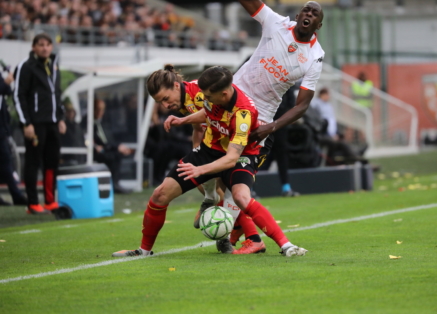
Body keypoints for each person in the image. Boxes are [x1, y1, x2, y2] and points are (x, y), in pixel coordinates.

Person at [112, 66, 307, 258]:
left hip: (241, 153)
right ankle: (144, 250)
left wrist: (199, 170)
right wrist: (183, 122)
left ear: (222, 94)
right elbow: (207, 113)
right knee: (160, 194)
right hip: (210, 148)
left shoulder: (242, 114)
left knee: (240, 197)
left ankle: (283, 245)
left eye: (164, 99)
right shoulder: (209, 94)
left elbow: (231, 158)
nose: (203, 100)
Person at [193, 0, 325, 254]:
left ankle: (234, 233)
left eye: (314, 13)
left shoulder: (315, 57)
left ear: (317, 25)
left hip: (258, 121)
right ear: (298, 15)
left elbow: (302, 106)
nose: (308, 14)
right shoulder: (276, 23)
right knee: (206, 163)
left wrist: (270, 127)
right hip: (226, 106)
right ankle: (228, 223)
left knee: (235, 183)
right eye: (305, 10)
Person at [13, 33, 66, 214]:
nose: (45, 48)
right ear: (34, 47)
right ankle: (33, 203)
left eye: (47, 45)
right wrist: (26, 123)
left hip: (52, 122)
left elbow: (56, 94)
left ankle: (50, 201)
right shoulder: (26, 67)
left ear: (51, 47)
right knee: (33, 162)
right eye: (41, 45)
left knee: (52, 162)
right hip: (35, 124)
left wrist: (60, 118)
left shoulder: (53, 65)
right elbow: (18, 96)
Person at [90, 98, 133, 194]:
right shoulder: (88, 123)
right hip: (95, 152)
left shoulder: (102, 123)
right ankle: (112, 184)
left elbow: (107, 140)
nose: (100, 112)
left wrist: (117, 146)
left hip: (105, 149)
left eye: (102, 109)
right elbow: (94, 140)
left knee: (117, 154)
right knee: (113, 156)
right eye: (98, 109)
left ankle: (115, 183)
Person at [0, 69, 28, 207]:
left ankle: (16, 194)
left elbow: (6, 91)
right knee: (5, 161)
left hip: (1, 129)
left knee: (6, 161)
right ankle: (16, 194)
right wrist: (6, 82)